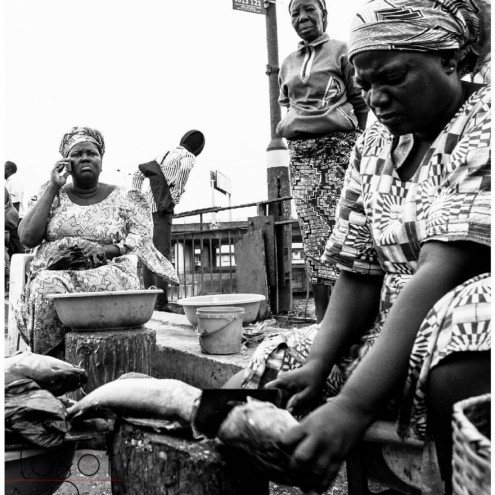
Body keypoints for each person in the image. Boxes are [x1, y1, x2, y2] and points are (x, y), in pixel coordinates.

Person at [224, 0, 490, 493]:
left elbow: (444, 270)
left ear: (450, 61)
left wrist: (352, 405)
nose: (378, 98)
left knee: (469, 326)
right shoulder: (375, 141)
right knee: (269, 366)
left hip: (467, 327)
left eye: (393, 77)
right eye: (366, 85)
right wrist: (319, 359)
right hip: (392, 333)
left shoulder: (486, 121)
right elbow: (359, 267)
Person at [15, 126, 180, 358]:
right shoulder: (52, 193)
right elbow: (26, 237)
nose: (84, 158)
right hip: (56, 274)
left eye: (91, 153)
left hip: (109, 272)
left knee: (98, 286)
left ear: (101, 161)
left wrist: (104, 250)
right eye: (76, 154)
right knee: (45, 286)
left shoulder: (126, 198)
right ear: (66, 162)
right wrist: (53, 186)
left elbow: (141, 241)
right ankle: (54, 367)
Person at [276, 0, 368, 322]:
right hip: (302, 159)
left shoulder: (343, 51)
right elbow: (288, 104)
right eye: (294, 13)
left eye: (308, 9)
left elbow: (360, 102)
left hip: (338, 152)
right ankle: (322, 322)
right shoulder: (287, 63)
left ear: (323, 14)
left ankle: (349, 321)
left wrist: (361, 144)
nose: (302, 17)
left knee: (344, 232)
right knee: (314, 238)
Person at [132, 130, 205, 311]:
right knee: (162, 254)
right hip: (162, 211)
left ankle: (150, 302)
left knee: (148, 255)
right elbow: (186, 169)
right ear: (198, 148)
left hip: (145, 210)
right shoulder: (187, 156)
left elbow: (138, 174)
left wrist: (135, 197)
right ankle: (161, 303)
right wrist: (174, 196)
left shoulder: (163, 154)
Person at [5, 161, 26, 254]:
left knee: (17, 245)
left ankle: (20, 266)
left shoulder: (14, 181)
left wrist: (14, 221)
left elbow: (16, 201)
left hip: (16, 218)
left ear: (8, 169)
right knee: (12, 245)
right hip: (13, 218)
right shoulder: (10, 181)